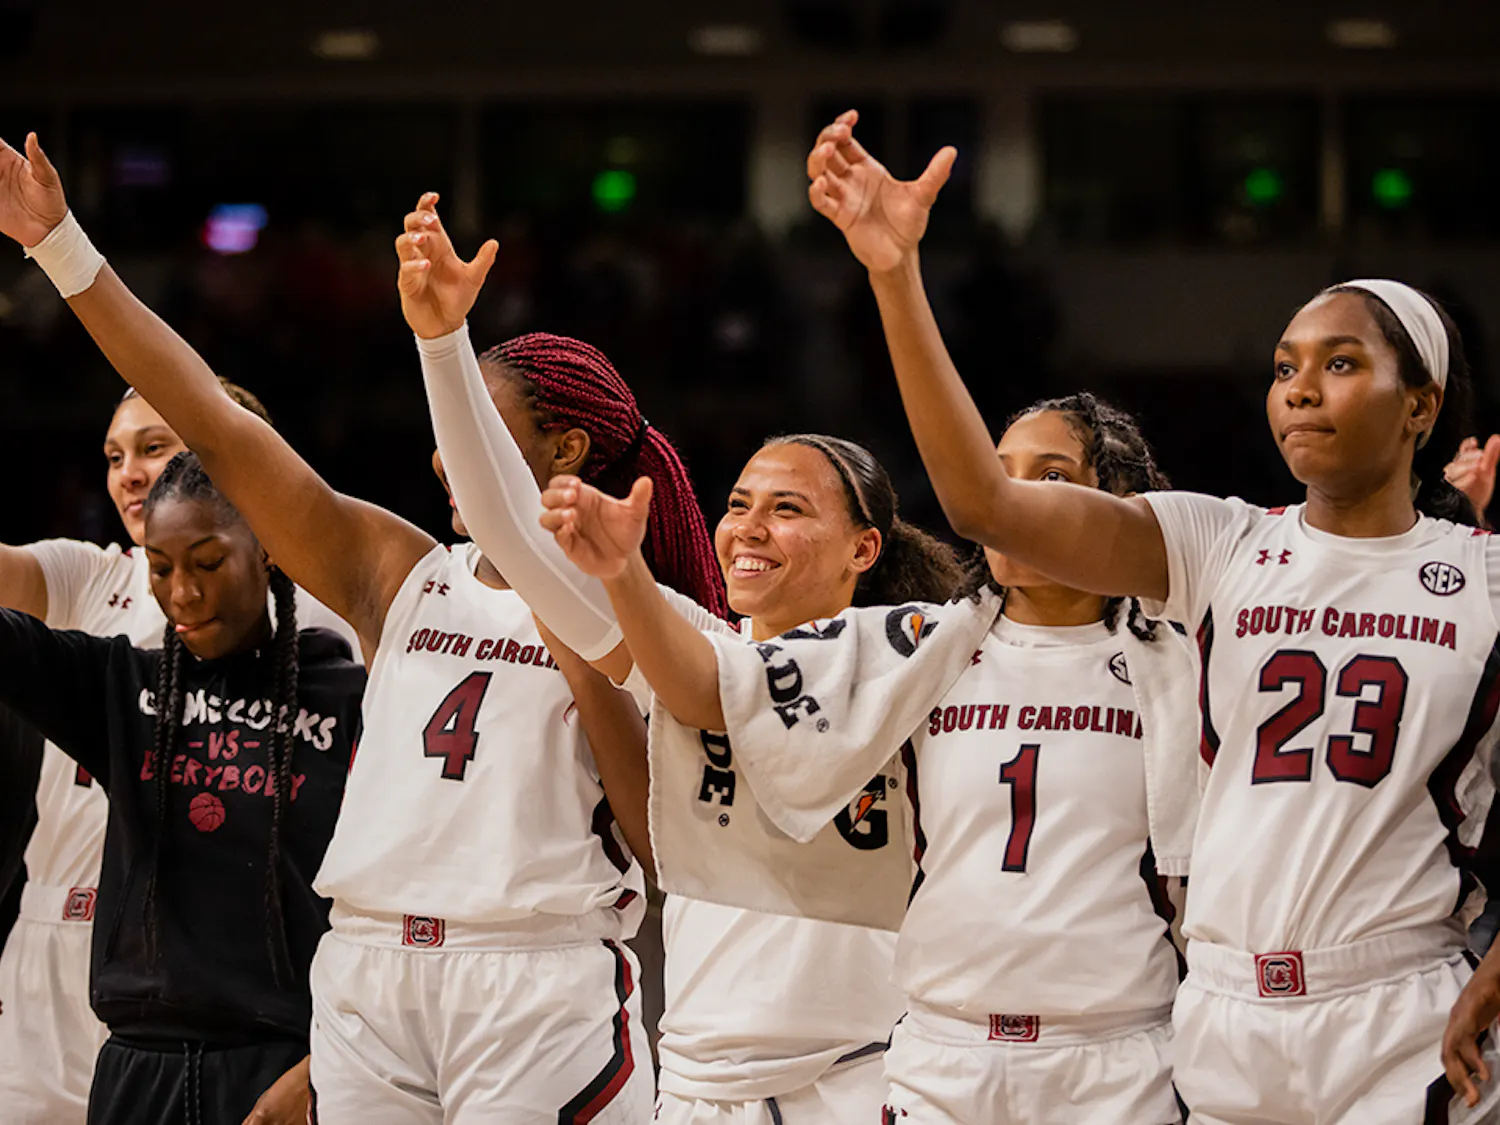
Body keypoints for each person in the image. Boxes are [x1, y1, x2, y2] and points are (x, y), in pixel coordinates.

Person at [1, 133, 716, 1122]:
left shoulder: (649, 615)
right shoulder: (399, 573)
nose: (445, 463)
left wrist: (581, 637)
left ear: (565, 450)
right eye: (444, 435)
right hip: (370, 969)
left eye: (478, 434)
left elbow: (665, 850)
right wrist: (64, 248)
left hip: (530, 978)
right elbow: (214, 422)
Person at [806, 109, 1500, 1123]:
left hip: (1403, 1009)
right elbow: (986, 509)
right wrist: (894, 274)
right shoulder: (1217, 543)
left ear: (1423, 404)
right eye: (1284, 366)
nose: (1301, 388)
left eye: (1341, 364)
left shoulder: (1482, 577)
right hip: (1223, 1016)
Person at [400, 199, 962, 1123]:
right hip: (700, 1087)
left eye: (789, 507)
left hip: (860, 1075)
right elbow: (507, 524)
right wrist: (443, 345)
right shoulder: (691, 645)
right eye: (740, 502)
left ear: (865, 548)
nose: (748, 526)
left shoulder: (913, 661)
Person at [541, 394, 1196, 1125]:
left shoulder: (1180, 662)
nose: (1012, 498)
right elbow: (696, 686)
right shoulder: (913, 648)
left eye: (1047, 477)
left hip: (1062, 1052)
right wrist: (622, 571)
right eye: (999, 474)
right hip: (932, 1061)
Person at [0, 373, 356, 1123]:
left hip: (266, 1024)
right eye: (113, 454)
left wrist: (333, 1050)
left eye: (154, 446)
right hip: (105, 1000)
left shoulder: (336, 664)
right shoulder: (104, 623)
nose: (182, 594)